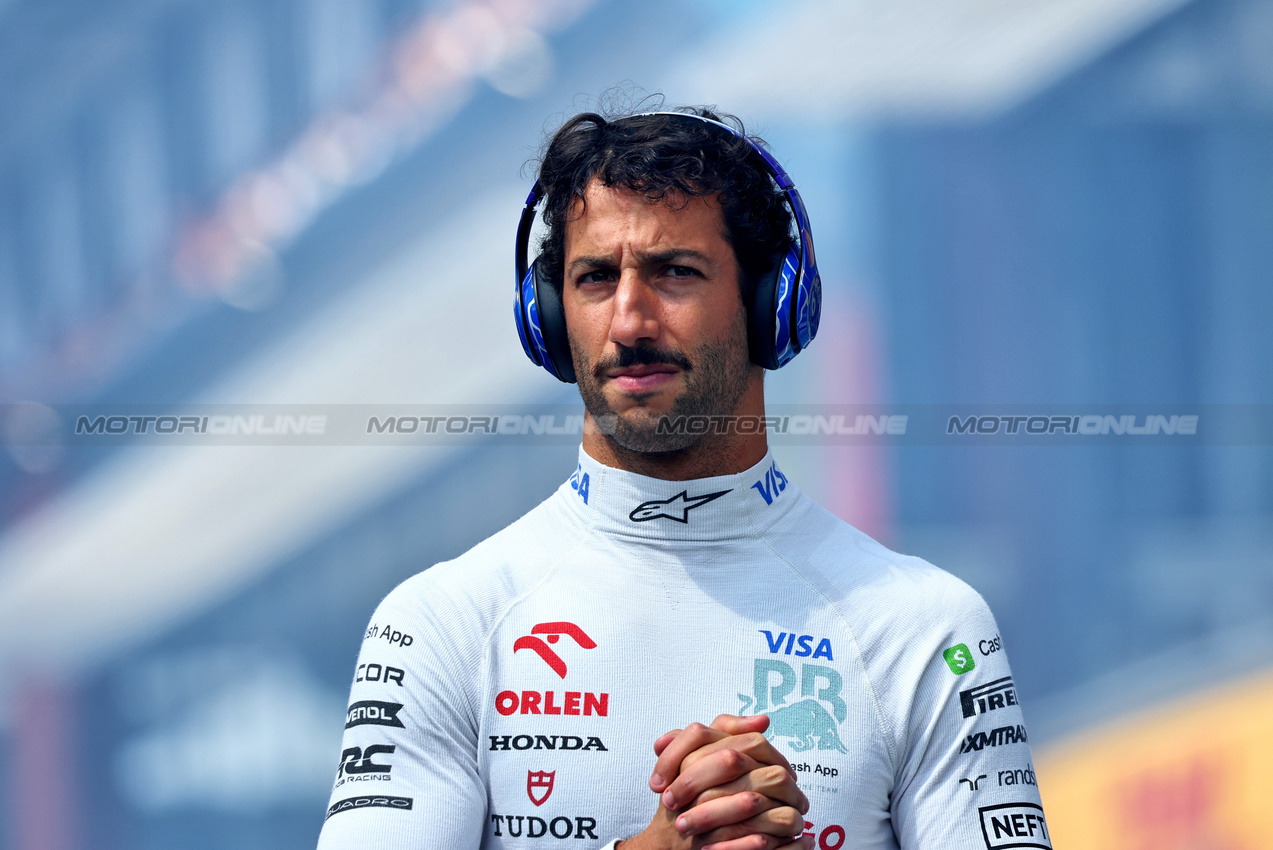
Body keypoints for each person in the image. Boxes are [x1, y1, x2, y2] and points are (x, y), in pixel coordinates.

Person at [316, 107, 1047, 850]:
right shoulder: (441, 625)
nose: (630, 321)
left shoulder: (925, 626)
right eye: (596, 277)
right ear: (547, 318)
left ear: (773, 303)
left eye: (674, 272)